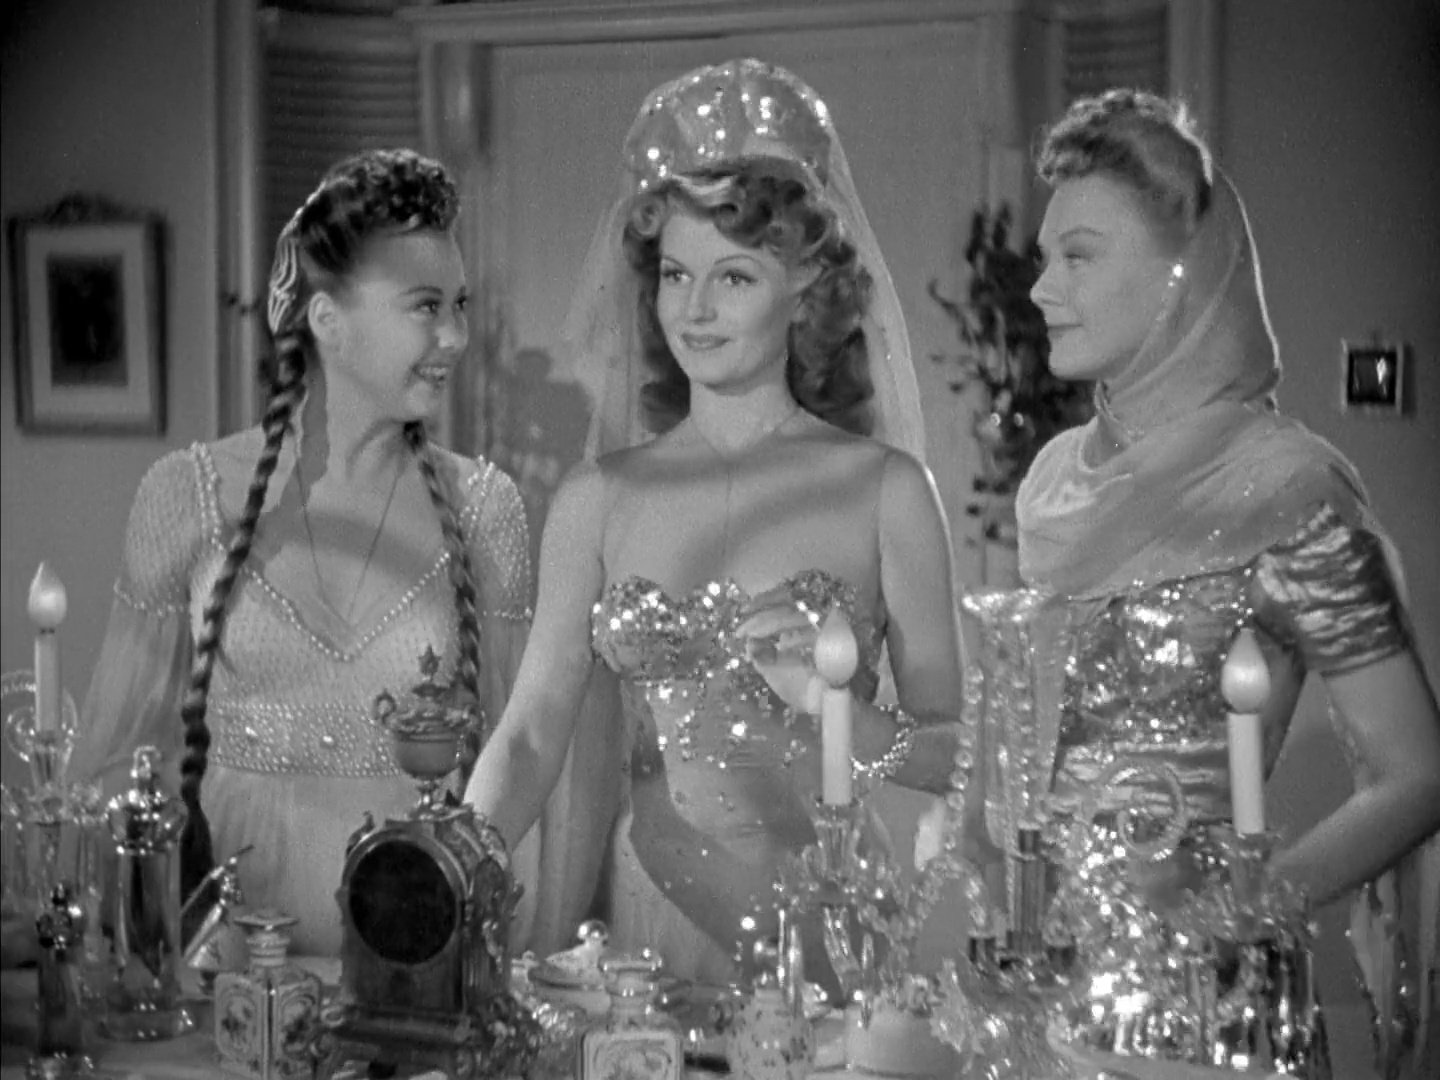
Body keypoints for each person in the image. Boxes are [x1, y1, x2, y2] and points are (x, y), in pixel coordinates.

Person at [462, 58, 968, 988]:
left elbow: (952, 755)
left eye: (733, 277)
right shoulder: (597, 498)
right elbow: (530, 735)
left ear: (806, 285)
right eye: (674, 274)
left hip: (822, 911)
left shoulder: (886, 490)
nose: (693, 310)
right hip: (646, 912)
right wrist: (449, 877)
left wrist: (838, 713)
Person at [70, 149, 607, 958]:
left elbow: (517, 751)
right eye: (425, 307)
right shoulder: (187, 494)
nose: (455, 337)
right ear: (328, 319)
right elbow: (123, 751)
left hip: (414, 942)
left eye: (459, 306)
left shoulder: (484, 508)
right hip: (237, 955)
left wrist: (468, 937)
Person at [1008, 89, 1440, 1077]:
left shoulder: (1284, 489)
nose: (1040, 289)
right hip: (1061, 993)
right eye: (1043, 258)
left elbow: (1419, 773)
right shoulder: (1055, 483)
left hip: (1216, 1010)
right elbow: (1029, 755)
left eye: (1077, 256)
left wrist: (1243, 909)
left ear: (1182, 278)